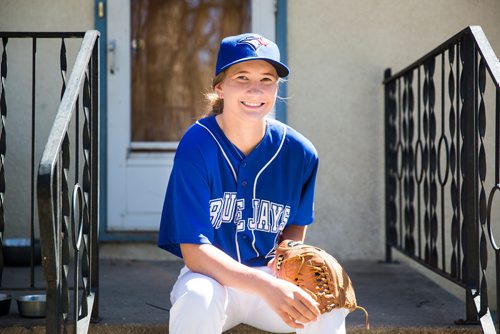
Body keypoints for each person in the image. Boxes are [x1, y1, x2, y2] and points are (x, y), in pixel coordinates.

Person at [158, 33, 348, 333]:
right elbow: (194, 252)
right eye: (242, 77)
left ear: (276, 88)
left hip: (272, 276)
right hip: (212, 278)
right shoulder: (197, 144)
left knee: (327, 308)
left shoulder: (299, 152)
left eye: (267, 79)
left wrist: (290, 263)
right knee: (197, 297)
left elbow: (294, 228)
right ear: (219, 87)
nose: (255, 89)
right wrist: (265, 287)